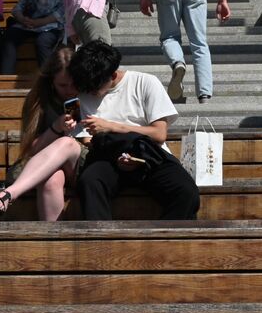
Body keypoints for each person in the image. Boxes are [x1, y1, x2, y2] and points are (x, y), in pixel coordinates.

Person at [67, 41, 199, 221]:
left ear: (112, 75)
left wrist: (112, 126)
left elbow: (159, 134)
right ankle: (101, 244)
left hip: (148, 154)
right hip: (107, 157)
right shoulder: (83, 92)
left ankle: (161, 244)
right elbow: (86, 139)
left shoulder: (145, 82)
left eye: (95, 87)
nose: (90, 91)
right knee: (90, 182)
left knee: (186, 192)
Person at [0, 47, 85, 220]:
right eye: (62, 85)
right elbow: (30, 149)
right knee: (52, 181)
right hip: (43, 165)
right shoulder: (38, 100)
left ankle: (10, 193)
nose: (69, 90)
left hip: (81, 164)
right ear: (51, 81)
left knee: (67, 143)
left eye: (74, 84)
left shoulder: (90, 96)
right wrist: (55, 128)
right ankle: (51, 241)